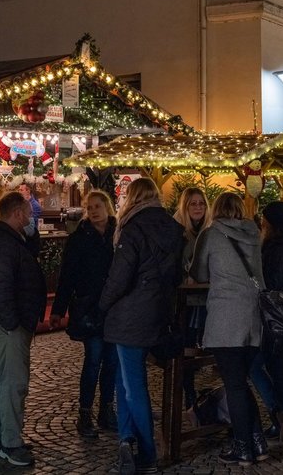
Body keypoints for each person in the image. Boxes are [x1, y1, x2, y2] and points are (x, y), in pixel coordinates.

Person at [99, 178, 183, 474]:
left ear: (132, 198)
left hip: (131, 316)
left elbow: (120, 277)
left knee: (133, 384)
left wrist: (102, 305)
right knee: (125, 379)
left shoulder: (132, 228)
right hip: (158, 311)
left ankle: (147, 450)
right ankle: (126, 438)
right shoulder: (173, 227)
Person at [0, 192, 46, 466]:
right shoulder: (2, 243)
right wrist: (13, 324)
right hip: (1, 324)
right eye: (27, 214)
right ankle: (11, 444)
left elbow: (29, 255)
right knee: (14, 383)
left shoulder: (8, 239)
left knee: (1, 381)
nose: (30, 218)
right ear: (17, 215)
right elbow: (1, 287)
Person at [191, 192, 268, 466]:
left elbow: (199, 274)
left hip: (225, 319)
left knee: (234, 384)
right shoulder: (254, 234)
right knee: (240, 382)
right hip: (252, 318)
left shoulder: (211, 235)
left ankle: (243, 446)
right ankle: (257, 440)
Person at [49, 190, 118, 439]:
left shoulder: (118, 234)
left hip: (114, 309)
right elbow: (67, 276)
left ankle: (107, 409)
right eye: (90, 207)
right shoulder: (79, 238)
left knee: (112, 362)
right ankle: (85, 412)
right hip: (90, 309)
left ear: (107, 207)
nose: (94, 211)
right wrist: (58, 309)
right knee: (93, 360)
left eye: (98, 206)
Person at [250, 201, 283, 444]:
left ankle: (277, 414)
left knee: (256, 365)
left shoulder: (277, 251)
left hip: (273, 317)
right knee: (277, 369)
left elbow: (269, 283)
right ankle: (280, 420)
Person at [172, 187, 211, 409]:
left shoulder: (209, 230)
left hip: (205, 298)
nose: (198, 207)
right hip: (185, 301)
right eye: (193, 204)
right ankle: (187, 392)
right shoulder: (177, 231)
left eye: (201, 204)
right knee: (186, 347)